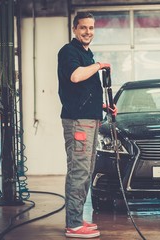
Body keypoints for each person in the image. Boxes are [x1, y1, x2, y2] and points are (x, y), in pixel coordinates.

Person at [57, 12, 115, 238]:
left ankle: (77, 217)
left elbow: (83, 92)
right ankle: (73, 225)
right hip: (77, 122)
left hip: (90, 119)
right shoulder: (69, 51)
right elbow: (75, 77)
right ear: (74, 29)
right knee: (78, 171)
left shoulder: (86, 54)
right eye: (83, 28)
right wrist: (100, 65)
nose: (88, 32)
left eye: (91, 28)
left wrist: (102, 107)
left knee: (86, 170)